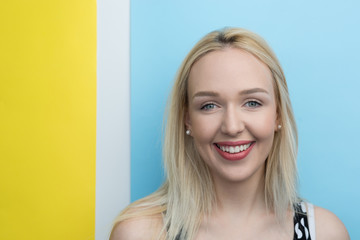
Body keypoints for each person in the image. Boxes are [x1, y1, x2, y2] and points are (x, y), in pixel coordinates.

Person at [110, 27, 349, 240]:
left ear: (278, 115)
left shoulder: (325, 233)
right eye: (209, 105)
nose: (232, 126)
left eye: (252, 102)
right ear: (187, 120)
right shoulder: (141, 233)